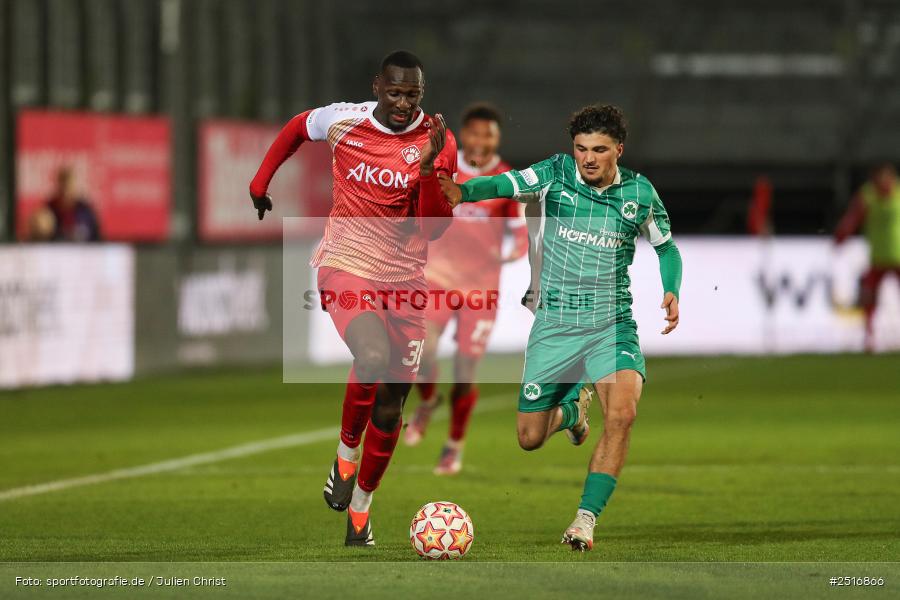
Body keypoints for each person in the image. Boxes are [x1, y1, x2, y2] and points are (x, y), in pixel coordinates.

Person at [438, 104, 682, 551]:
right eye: (581, 148)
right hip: (555, 325)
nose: (587, 158)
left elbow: (667, 249)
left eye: (599, 150)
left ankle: (585, 520)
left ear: (618, 150)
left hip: (610, 324)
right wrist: (464, 192)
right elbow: (504, 184)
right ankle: (572, 412)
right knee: (529, 438)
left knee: (623, 416)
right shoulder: (555, 173)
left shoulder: (640, 193)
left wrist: (671, 289)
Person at [249, 50, 457, 546]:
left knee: (391, 406)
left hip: (406, 282)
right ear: (377, 87)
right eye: (395, 92)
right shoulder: (344, 121)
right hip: (347, 264)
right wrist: (259, 182)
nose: (403, 103)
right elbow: (297, 128)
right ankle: (345, 458)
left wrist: (429, 168)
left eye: (412, 94)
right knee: (371, 355)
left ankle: (361, 509)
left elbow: (434, 228)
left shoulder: (437, 140)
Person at [404, 103, 528, 475]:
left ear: (497, 139)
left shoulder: (508, 180)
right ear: (464, 134)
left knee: (465, 370)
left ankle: (454, 444)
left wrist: (514, 251)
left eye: (489, 134)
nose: (481, 140)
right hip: (437, 278)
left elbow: (520, 234)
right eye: (475, 132)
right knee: (421, 351)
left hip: (481, 289)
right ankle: (428, 400)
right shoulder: (444, 168)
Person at [835, 162, 900, 353]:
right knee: (869, 297)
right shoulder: (868, 195)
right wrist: (842, 235)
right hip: (877, 257)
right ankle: (869, 337)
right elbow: (853, 218)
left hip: (898, 256)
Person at [30, 167, 101, 241]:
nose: (67, 191)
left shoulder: (85, 211)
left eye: (70, 185)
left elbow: (97, 238)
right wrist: (42, 230)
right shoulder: (48, 210)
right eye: (64, 185)